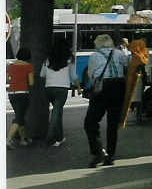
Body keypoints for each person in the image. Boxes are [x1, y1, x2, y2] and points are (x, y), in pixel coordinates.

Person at [83, 34, 130, 167]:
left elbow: (91, 74)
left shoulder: (94, 56)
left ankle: (98, 152)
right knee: (112, 124)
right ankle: (111, 156)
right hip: (119, 87)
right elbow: (127, 67)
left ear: (97, 44)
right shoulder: (120, 54)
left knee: (91, 122)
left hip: (103, 88)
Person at [41, 41, 80, 147]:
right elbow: (73, 75)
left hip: (49, 88)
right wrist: (79, 88)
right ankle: (50, 136)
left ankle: (60, 137)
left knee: (58, 112)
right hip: (62, 89)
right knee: (56, 112)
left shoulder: (48, 59)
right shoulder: (70, 59)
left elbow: (42, 74)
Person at [6, 47, 34, 149]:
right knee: (19, 118)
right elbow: (31, 83)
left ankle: (23, 140)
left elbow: (7, 79)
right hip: (23, 94)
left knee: (19, 116)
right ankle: (7, 140)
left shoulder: (10, 66)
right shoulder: (28, 66)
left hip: (11, 94)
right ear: (28, 56)